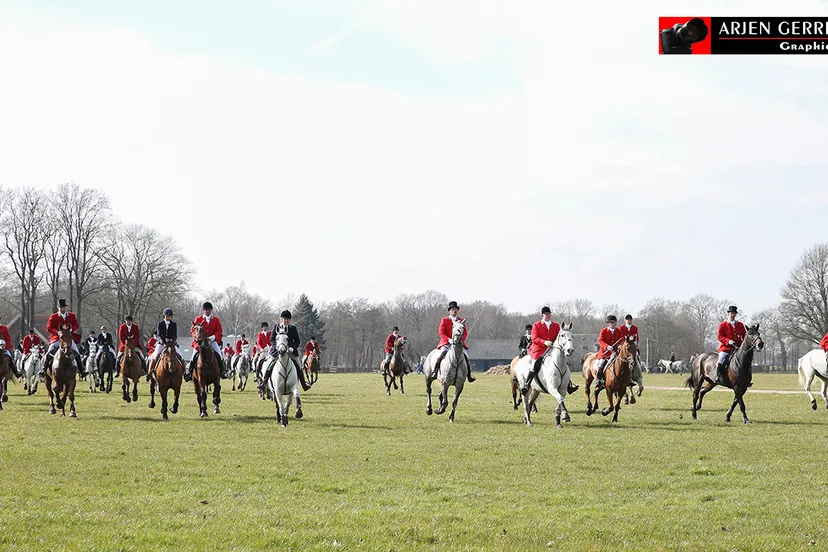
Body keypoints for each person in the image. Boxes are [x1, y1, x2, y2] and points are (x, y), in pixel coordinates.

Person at [520, 307, 579, 395]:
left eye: (549, 314)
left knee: (561, 363)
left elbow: (560, 337)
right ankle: (527, 384)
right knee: (534, 363)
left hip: (552, 349)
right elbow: (534, 338)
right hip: (538, 349)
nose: (548, 315)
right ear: (542, 315)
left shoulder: (556, 325)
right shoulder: (536, 325)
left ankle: (568, 384)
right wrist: (545, 342)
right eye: (546, 314)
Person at [261, 310, 312, 392]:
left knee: (298, 366)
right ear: (281, 319)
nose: (286, 321)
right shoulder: (276, 327)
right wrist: (277, 347)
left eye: (288, 319)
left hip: (290, 352)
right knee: (270, 365)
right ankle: (264, 383)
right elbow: (272, 340)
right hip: (277, 351)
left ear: (290, 320)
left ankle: (304, 384)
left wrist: (292, 348)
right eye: (284, 319)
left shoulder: (293, 328)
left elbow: (297, 341)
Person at [40, 299, 85, 377]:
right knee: (49, 352)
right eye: (61, 307)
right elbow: (49, 328)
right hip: (57, 339)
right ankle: (44, 369)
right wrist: (57, 332)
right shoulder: (53, 316)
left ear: (66, 308)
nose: (62, 309)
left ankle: (82, 371)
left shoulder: (71, 315)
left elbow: (76, 325)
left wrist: (71, 329)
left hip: (68, 339)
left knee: (77, 352)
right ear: (58, 308)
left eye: (64, 307)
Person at [433, 301, 475, 383]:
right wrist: (449, 340)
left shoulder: (461, 321)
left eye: (456, 309)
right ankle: (435, 372)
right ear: (449, 311)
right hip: (446, 343)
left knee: (466, 357)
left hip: (458, 344)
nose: (454, 311)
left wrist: (460, 340)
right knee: (440, 355)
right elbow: (441, 332)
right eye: (452, 309)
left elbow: (465, 333)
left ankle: (469, 375)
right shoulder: (444, 320)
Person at [186, 302, 223, 382]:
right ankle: (189, 372)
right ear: (203, 311)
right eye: (205, 310)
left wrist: (214, 337)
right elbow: (192, 331)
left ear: (211, 310)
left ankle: (223, 372)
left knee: (219, 355)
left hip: (211, 341)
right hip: (199, 343)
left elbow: (219, 331)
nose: (207, 311)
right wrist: (197, 338)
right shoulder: (198, 319)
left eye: (208, 310)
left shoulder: (216, 320)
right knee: (193, 357)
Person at [716, 305, 746, 384]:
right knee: (721, 360)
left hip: (738, 348)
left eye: (734, 313)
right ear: (728, 314)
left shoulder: (740, 325)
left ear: (736, 314)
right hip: (726, 348)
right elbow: (719, 337)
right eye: (731, 313)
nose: (732, 315)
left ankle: (746, 379)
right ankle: (717, 377)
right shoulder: (723, 325)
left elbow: (745, 336)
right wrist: (728, 341)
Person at [148, 308, 182, 376]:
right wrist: (162, 341)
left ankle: (184, 372)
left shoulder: (173, 324)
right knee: (155, 356)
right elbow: (158, 334)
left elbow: (175, 335)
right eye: (167, 316)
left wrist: (173, 340)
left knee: (180, 355)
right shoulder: (160, 324)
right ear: (164, 316)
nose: (168, 317)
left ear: (171, 317)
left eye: (169, 316)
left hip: (171, 343)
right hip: (161, 343)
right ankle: (150, 372)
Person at [595, 315, 623, 390]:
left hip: (615, 353)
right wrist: (607, 346)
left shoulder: (618, 331)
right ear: (609, 324)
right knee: (601, 364)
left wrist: (620, 345)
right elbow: (600, 341)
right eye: (611, 323)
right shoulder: (603, 331)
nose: (613, 324)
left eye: (614, 323)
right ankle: (598, 380)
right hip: (605, 353)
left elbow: (621, 340)